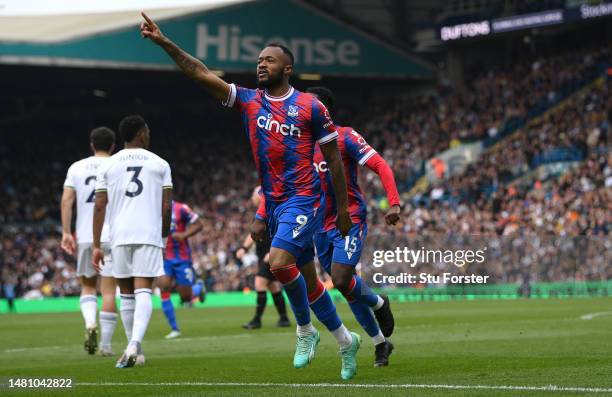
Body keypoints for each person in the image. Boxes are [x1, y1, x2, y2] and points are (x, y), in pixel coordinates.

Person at [141, 13, 361, 380]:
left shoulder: (310, 106)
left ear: (287, 68)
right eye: (258, 60)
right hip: (275, 204)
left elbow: (335, 161)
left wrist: (341, 210)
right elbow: (199, 72)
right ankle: (345, 340)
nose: (261, 64)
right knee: (307, 280)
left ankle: (305, 330)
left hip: (305, 198)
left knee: (277, 263)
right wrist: (163, 42)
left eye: (269, 60)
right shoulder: (248, 100)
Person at [309, 86, 400, 366]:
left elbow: (381, 165)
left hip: (349, 219)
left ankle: (378, 304)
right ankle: (380, 343)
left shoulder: (345, 136)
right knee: (347, 288)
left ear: (322, 110)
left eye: (308, 104)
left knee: (339, 278)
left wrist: (394, 202)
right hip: (318, 227)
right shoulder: (299, 145)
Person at [93, 115, 173, 368]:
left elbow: (99, 206)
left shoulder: (107, 165)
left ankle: (133, 351)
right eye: (147, 131)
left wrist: (96, 244)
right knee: (144, 290)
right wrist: (164, 235)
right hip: (148, 233)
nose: (148, 135)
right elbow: (167, 205)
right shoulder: (160, 163)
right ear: (140, 133)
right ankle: (133, 345)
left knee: (126, 293)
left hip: (119, 235)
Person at [60, 127, 118, 356]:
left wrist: (66, 232)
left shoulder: (77, 167)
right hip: (113, 235)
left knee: (87, 286)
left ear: (92, 144)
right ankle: (105, 345)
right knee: (110, 291)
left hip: (85, 236)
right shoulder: (117, 165)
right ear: (113, 145)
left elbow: (66, 200)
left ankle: (90, 323)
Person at [237, 187, 290, 330]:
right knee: (272, 287)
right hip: (264, 255)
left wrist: (273, 252)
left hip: (270, 255)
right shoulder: (261, 213)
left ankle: (257, 320)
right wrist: (244, 248)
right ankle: (284, 318)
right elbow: (253, 233)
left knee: (259, 283)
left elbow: (280, 231)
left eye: (254, 195)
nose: (252, 198)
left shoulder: (270, 211)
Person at [160, 200, 204, 339]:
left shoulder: (181, 208)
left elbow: (199, 224)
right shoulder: (150, 208)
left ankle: (198, 288)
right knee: (163, 287)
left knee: (185, 297)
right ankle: (175, 328)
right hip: (163, 258)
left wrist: (183, 235)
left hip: (182, 258)